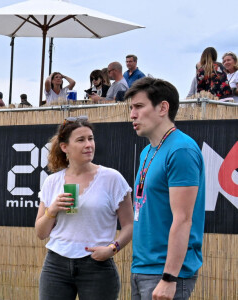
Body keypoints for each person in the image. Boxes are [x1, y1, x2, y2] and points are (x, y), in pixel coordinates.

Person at [35, 116, 133, 300]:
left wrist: (113, 248)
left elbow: (129, 225)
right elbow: (41, 232)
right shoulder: (52, 182)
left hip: (97, 265)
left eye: (91, 138)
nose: (89, 144)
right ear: (65, 147)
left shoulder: (112, 178)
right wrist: (52, 210)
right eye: (81, 140)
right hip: (56, 265)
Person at [125, 77, 205, 300]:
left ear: (163, 108)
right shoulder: (147, 151)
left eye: (139, 106)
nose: (132, 114)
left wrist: (169, 278)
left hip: (165, 274)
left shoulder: (181, 150)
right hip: (142, 268)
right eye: (131, 108)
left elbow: (183, 219)